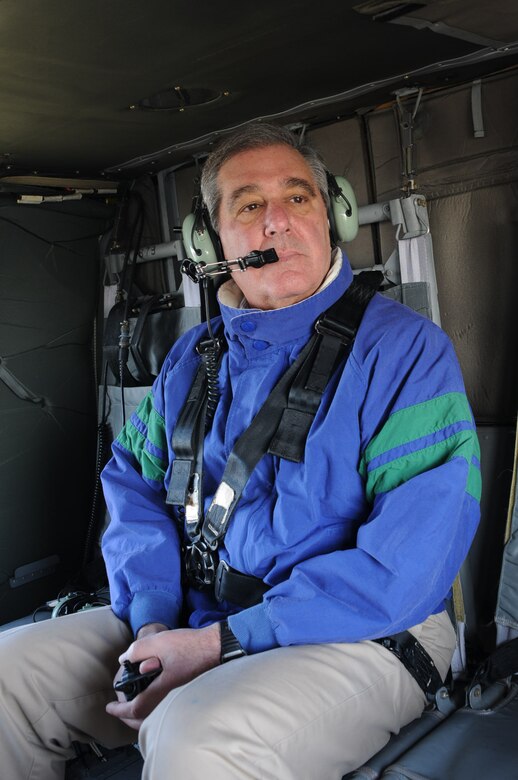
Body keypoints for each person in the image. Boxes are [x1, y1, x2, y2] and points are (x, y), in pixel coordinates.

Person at [0, 123, 480, 780]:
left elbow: (406, 570)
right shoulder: (189, 361)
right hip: (195, 613)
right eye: (249, 205)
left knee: (198, 740)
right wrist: (151, 624)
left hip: (369, 632)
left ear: (332, 215)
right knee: (6, 680)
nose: (277, 223)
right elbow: (133, 485)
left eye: (298, 199)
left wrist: (221, 644)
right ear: (210, 239)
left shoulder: (406, 354)